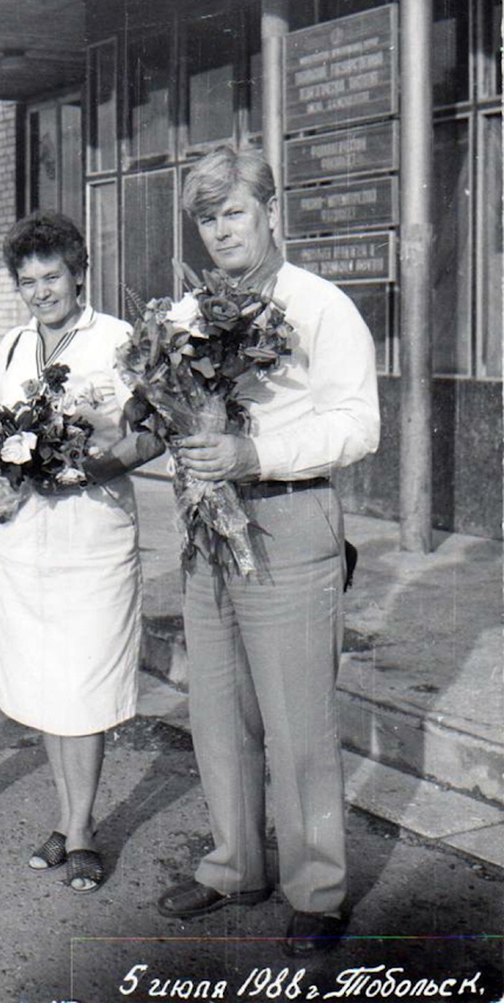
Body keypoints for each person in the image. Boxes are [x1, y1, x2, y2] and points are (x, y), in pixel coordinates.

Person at [156, 146, 380, 956]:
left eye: (234, 212)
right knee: (217, 709)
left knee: (297, 721)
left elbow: (359, 425)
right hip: (208, 526)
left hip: (288, 517)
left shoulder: (320, 306)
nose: (221, 231)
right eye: (206, 219)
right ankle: (236, 864)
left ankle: (317, 888)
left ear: (271, 212)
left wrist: (256, 454)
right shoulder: (186, 314)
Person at [0, 210, 163, 892]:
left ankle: (82, 830)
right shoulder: (11, 346)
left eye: (52, 276)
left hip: (92, 534)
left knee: (82, 684)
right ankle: (66, 819)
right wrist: (0, 462)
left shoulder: (116, 340)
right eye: (27, 281)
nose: (40, 292)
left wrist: (95, 466)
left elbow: (155, 433)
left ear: (79, 273)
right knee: (44, 684)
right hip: (25, 537)